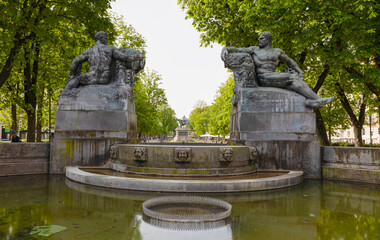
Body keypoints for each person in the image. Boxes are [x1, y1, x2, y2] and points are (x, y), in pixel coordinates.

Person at [222, 31, 335, 108]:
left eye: (262, 38)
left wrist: (300, 71)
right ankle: (318, 99)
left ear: (268, 40)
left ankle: (312, 101)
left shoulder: (277, 51)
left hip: (274, 77)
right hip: (262, 77)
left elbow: (290, 61)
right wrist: (225, 49)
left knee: (295, 84)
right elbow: (238, 49)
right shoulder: (254, 49)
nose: (259, 40)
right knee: (292, 77)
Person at [62, 31, 145, 94]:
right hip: (105, 78)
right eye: (106, 38)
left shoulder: (89, 51)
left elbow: (75, 62)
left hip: (91, 77)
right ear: (101, 39)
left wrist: (72, 75)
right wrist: (139, 56)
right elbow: (124, 57)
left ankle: (63, 98)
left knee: (74, 81)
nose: (107, 40)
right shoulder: (110, 49)